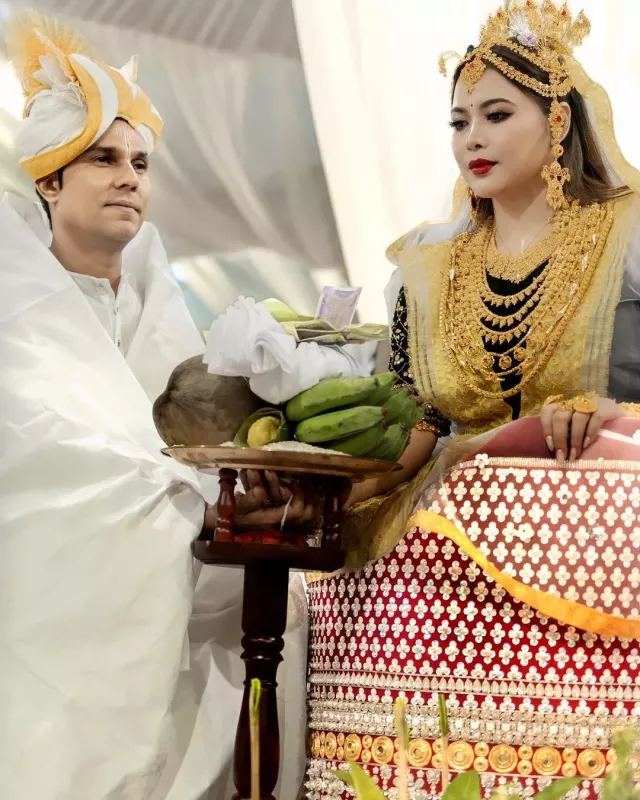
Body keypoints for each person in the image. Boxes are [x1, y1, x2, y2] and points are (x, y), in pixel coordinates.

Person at [303, 3, 640, 798]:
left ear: (559, 121)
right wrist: (319, 477)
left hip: (602, 526)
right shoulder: (427, 264)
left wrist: (614, 418)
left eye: (496, 115)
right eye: (459, 122)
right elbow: (416, 424)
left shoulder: (628, 237)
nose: (471, 139)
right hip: (442, 529)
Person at [0, 10, 311, 799]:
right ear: (49, 180)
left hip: (178, 564)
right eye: (103, 158)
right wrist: (186, 504)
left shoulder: (156, 307)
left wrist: (245, 486)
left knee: (284, 602)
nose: (129, 177)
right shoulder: (15, 307)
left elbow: (195, 444)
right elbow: (43, 462)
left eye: (140, 161)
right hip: (55, 592)